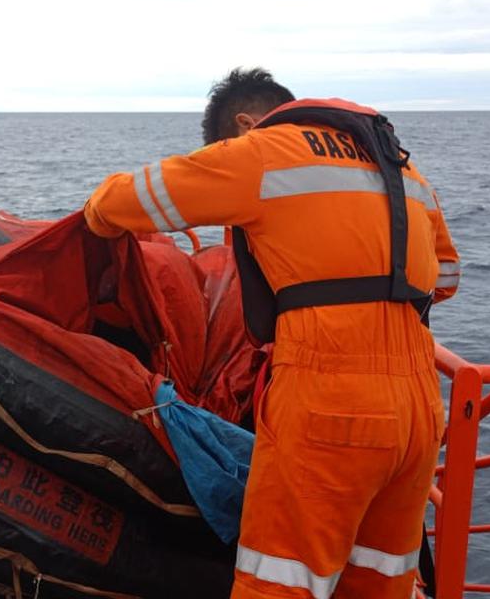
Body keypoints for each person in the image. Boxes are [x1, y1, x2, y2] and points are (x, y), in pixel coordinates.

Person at [83, 67, 460, 599]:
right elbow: (445, 279)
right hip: (419, 408)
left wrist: (95, 215)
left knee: (277, 583)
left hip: (328, 401)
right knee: (380, 581)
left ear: (244, 124)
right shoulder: (401, 166)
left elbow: (128, 200)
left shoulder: (263, 151)